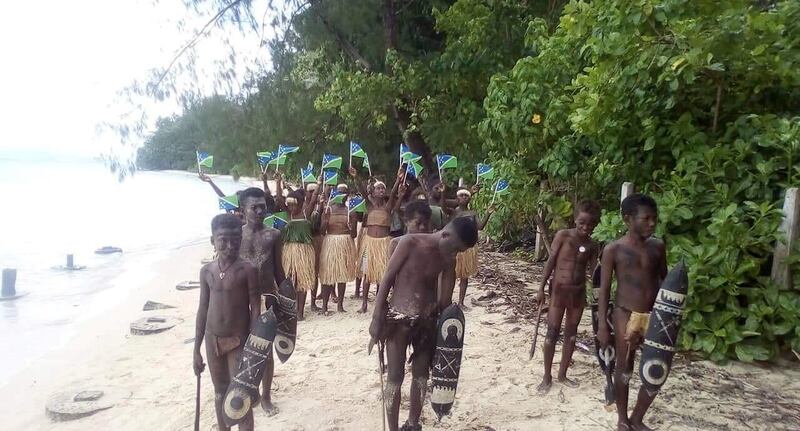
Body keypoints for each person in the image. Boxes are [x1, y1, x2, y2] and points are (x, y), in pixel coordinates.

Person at [368, 217, 479, 431]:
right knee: (394, 377)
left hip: (426, 324)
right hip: (398, 320)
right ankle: (392, 428)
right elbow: (388, 277)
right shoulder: (410, 242)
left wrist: (446, 321)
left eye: (459, 252)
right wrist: (376, 317)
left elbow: (445, 301)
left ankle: (413, 423)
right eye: (455, 248)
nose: (455, 254)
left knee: (421, 376)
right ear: (445, 235)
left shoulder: (449, 260)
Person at [597, 194, 667, 431]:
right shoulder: (613, 250)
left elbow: (665, 282)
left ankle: (637, 417)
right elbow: (604, 289)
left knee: (657, 367)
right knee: (624, 367)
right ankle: (623, 418)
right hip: (624, 313)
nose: (652, 223)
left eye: (654, 218)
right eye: (646, 218)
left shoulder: (658, 247)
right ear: (628, 220)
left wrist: (670, 316)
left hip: (654, 315)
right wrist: (603, 326)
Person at [193, 213, 260, 431]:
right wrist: (196, 349)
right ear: (213, 240)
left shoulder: (248, 270)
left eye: (235, 239)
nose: (230, 246)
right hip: (212, 340)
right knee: (220, 391)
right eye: (223, 240)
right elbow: (202, 309)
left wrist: (253, 347)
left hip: (238, 340)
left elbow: (256, 309)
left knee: (240, 394)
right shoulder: (207, 272)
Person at [536, 200, 601, 394]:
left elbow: (593, 272)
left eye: (590, 225)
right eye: (582, 222)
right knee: (552, 333)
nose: (585, 227)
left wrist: (599, 295)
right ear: (575, 219)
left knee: (571, 334)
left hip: (578, 294)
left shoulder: (592, 245)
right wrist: (540, 288)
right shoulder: (562, 236)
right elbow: (551, 262)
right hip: (558, 291)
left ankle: (562, 374)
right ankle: (547, 376)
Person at [237, 187, 285, 415]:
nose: (259, 211)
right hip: (239, 299)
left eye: (262, 207)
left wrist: (285, 298)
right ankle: (244, 389)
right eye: (253, 207)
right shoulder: (235, 235)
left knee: (265, 351)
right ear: (242, 209)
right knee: (240, 348)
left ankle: (266, 396)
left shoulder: (273, 235)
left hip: (267, 298)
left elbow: (278, 270)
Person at [353, 168, 402, 313]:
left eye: (383, 188)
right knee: (367, 273)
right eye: (378, 188)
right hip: (370, 243)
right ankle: (364, 304)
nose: (381, 190)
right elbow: (362, 192)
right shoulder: (369, 206)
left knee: (382, 274)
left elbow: (393, 194)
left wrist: (398, 179)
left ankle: (380, 303)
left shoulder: (387, 207)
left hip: (383, 244)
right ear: (373, 192)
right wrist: (356, 177)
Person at [450, 188, 495, 307]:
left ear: (469, 198)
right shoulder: (453, 212)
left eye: (466, 196)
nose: (464, 197)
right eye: (461, 195)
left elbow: (480, 227)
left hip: (468, 248)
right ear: (457, 198)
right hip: (455, 247)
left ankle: (461, 302)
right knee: (451, 275)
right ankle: (447, 301)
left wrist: (488, 214)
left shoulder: (473, 213)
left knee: (464, 276)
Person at [318, 184, 359, 313]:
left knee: (342, 274)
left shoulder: (351, 211)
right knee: (327, 274)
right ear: (335, 193)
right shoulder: (328, 210)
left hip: (345, 243)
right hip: (330, 242)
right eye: (339, 192)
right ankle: (324, 306)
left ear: (347, 195)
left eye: (344, 193)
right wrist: (324, 222)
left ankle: (340, 305)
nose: (342, 195)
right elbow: (322, 231)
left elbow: (354, 235)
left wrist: (351, 227)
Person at [282, 187, 319, 320]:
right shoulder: (287, 215)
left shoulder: (306, 213)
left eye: (294, 205)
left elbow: (314, 199)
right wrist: (278, 182)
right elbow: (280, 201)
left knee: (302, 281)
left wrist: (319, 184)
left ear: (300, 203)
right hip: (290, 251)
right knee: (291, 281)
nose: (291, 207)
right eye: (289, 205)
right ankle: (293, 308)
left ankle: (300, 312)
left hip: (304, 251)